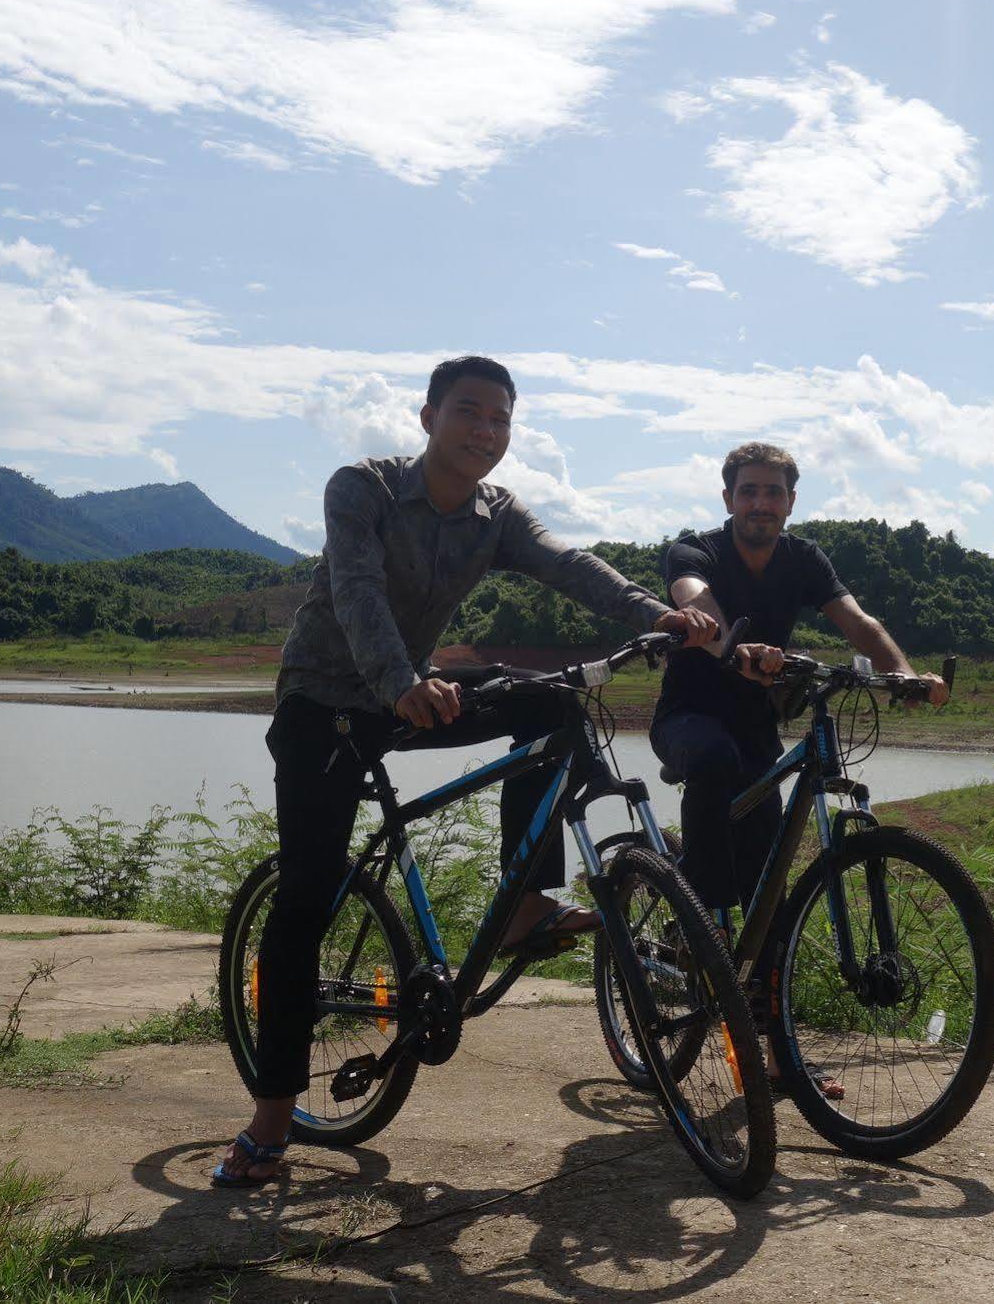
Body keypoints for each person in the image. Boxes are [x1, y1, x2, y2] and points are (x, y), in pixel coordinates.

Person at [215, 355, 716, 1187]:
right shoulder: (363, 489)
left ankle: (524, 905)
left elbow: (569, 563)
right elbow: (356, 592)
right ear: (427, 418)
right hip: (325, 706)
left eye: (500, 419)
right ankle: (271, 1122)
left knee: (551, 705)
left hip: (410, 691)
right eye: (469, 413)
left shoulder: (496, 512)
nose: (486, 432)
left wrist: (655, 612)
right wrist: (401, 683)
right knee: (305, 896)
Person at [649, 443, 948, 1087]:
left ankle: (780, 1058)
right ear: (727, 498)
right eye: (749, 491)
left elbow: (858, 623)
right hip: (687, 721)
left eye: (774, 492)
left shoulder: (804, 559)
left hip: (759, 730)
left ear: (790, 502)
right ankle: (700, 914)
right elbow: (697, 601)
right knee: (715, 758)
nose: (761, 503)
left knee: (772, 895)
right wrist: (736, 648)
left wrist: (903, 675)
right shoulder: (693, 550)